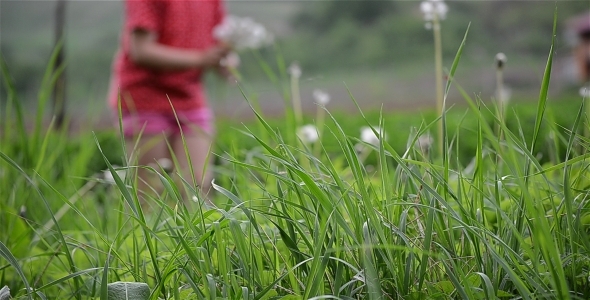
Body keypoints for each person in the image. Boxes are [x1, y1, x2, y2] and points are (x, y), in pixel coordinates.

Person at [107, 0, 232, 206]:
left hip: (190, 96)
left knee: (199, 185)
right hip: (144, 98)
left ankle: (199, 237)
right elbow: (141, 51)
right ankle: (147, 238)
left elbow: (218, 42)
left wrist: (225, 61)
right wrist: (201, 59)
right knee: (148, 190)